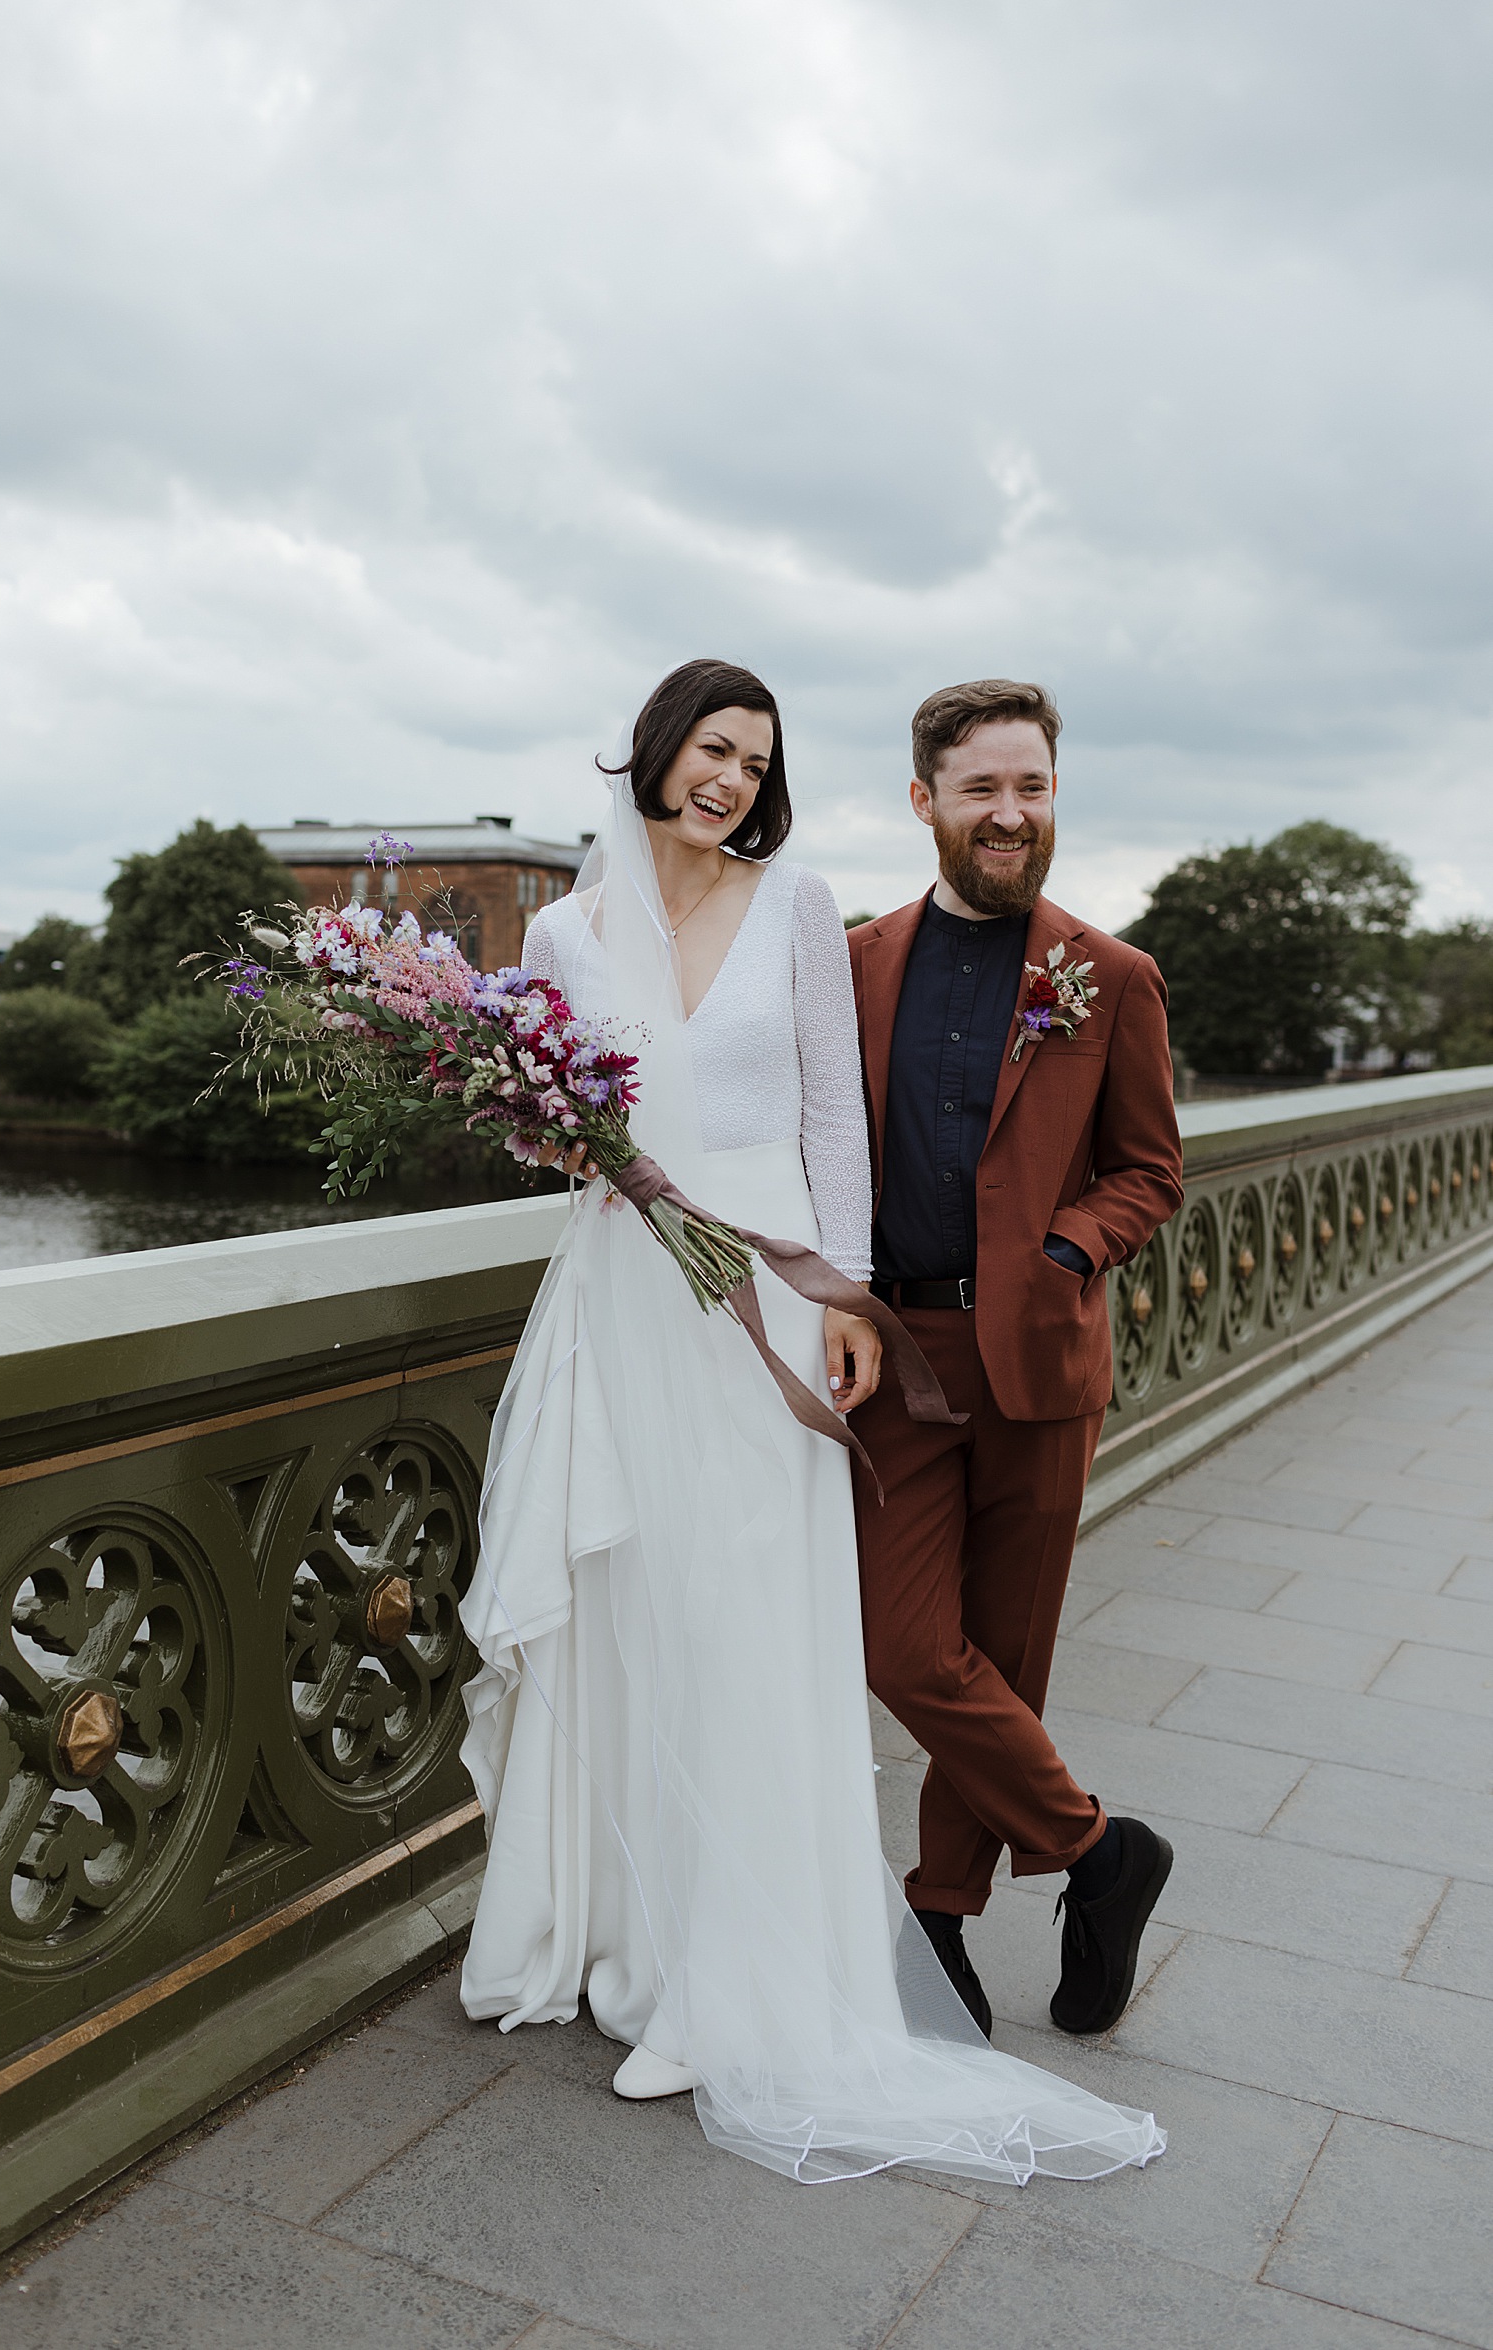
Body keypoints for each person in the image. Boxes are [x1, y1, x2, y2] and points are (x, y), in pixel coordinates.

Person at [457, 658, 1164, 2185]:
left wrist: (868, 1289)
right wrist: (554, 1133)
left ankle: (884, 1939)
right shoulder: (581, 933)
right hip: (647, 1299)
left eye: (753, 760)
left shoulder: (884, 923)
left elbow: (845, 1121)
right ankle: (656, 1941)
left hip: (823, 1309)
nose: (728, 778)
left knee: (825, 1636)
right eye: (712, 748)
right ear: (656, 749)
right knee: (671, 1617)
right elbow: (567, 1134)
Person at [850, 678, 1183, 2042]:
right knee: (906, 1646)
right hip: (896, 1358)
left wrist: (1064, 1249)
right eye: (983, 787)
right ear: (924, 798)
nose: (1010, 812)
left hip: (1042, 1362)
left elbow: (1152, 1172)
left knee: (1006, 1652)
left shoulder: (1111, 974)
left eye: (1032, 786)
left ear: (1055, 798)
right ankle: (1102, 1853)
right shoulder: (856, 960)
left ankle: (939, 1921)